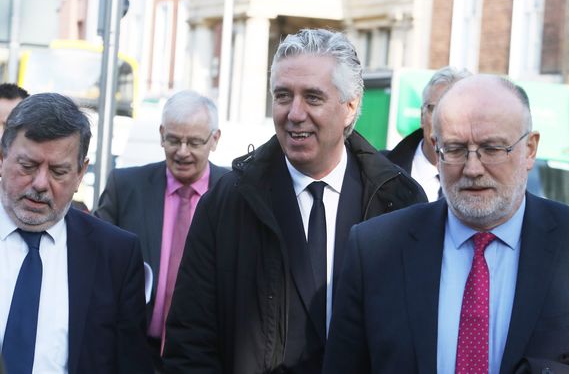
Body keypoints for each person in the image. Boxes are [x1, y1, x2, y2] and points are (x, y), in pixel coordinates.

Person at [162, 28, 427, 374]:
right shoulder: (227, 203)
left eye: (313, 98)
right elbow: (189, 343)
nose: (294, 113)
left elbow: (417, 338)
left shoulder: (399, 201)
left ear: (350, 107)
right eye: (283, 96)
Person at [323, 74, 569, 373]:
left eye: (492, 149)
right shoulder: (375, 249)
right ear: (435, 149)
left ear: (530, 149)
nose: (473, 168)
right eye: (455, 149)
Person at [0, 93, 152, 373]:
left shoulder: (115, 256)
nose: (40, 183)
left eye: (58, 171)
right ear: (2, 157)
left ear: (81, 173)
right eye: (28, 166)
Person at [94, 89, 227, 370]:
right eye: (174, 140)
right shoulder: (126, 186)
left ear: (214, 140)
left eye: (194, 142)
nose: (182, 152)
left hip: (206, 357)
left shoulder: (235, 193)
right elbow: (95, 260)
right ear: (161, 134)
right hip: (135, 350)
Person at [385, 66, 471, 201]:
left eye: (457, 111)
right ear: (421, 116)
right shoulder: (379, 170)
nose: (444, 120)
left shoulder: (483, 179)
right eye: (435, 109)